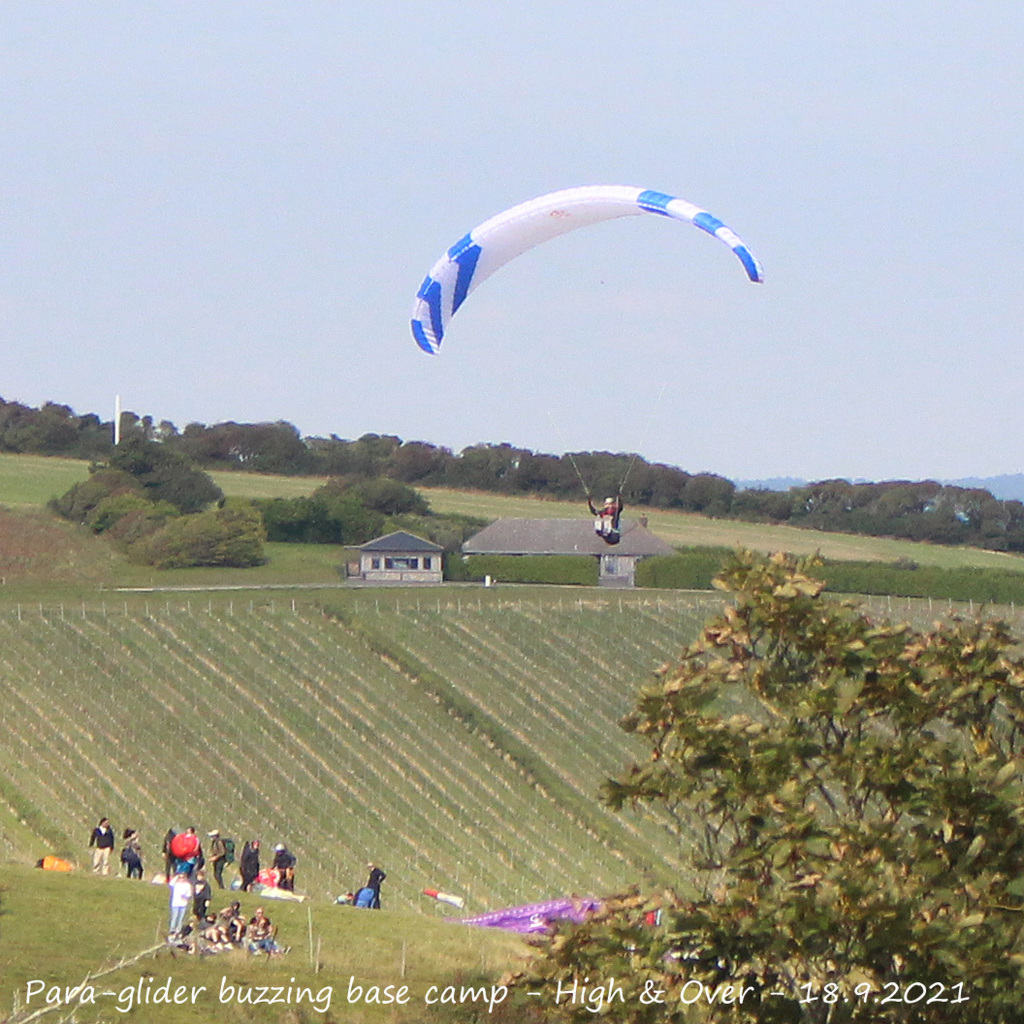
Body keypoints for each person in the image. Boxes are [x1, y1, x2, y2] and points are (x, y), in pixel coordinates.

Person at [167, 873, 193, 938]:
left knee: (180, 918)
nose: (181, 879)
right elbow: (170, 883)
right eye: (180, 878)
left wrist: (185, 897)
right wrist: (177, 876)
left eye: (183, 877)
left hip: (183, 904)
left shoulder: (187, 885)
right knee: (174, 917)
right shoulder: (176, 884)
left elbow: (189, 895)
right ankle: (172, 930)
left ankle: (178, 931)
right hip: (175, 903)